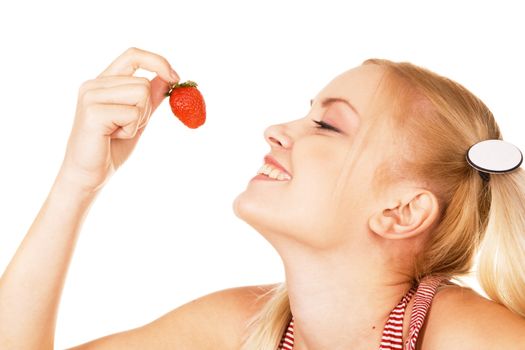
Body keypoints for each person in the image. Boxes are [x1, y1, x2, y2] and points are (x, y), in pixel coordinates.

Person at [0, 47, 524, 350]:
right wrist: (78, 181)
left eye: (326, 124)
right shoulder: (239, 328)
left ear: (401, 212)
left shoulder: (469, 338)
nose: (276, 129)